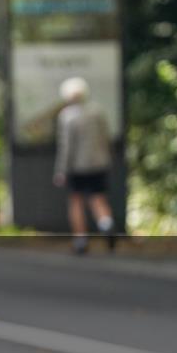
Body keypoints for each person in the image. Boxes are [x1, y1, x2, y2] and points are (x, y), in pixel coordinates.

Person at [53, 77, 115, 254]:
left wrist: (61, 170)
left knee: (76, 201)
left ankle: (81, 239)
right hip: (99, 163)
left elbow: (66, 147)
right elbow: (105, 137)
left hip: (77, 167)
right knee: (98, 198)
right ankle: (106, 223)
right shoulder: (97, 112)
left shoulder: (67, 116)